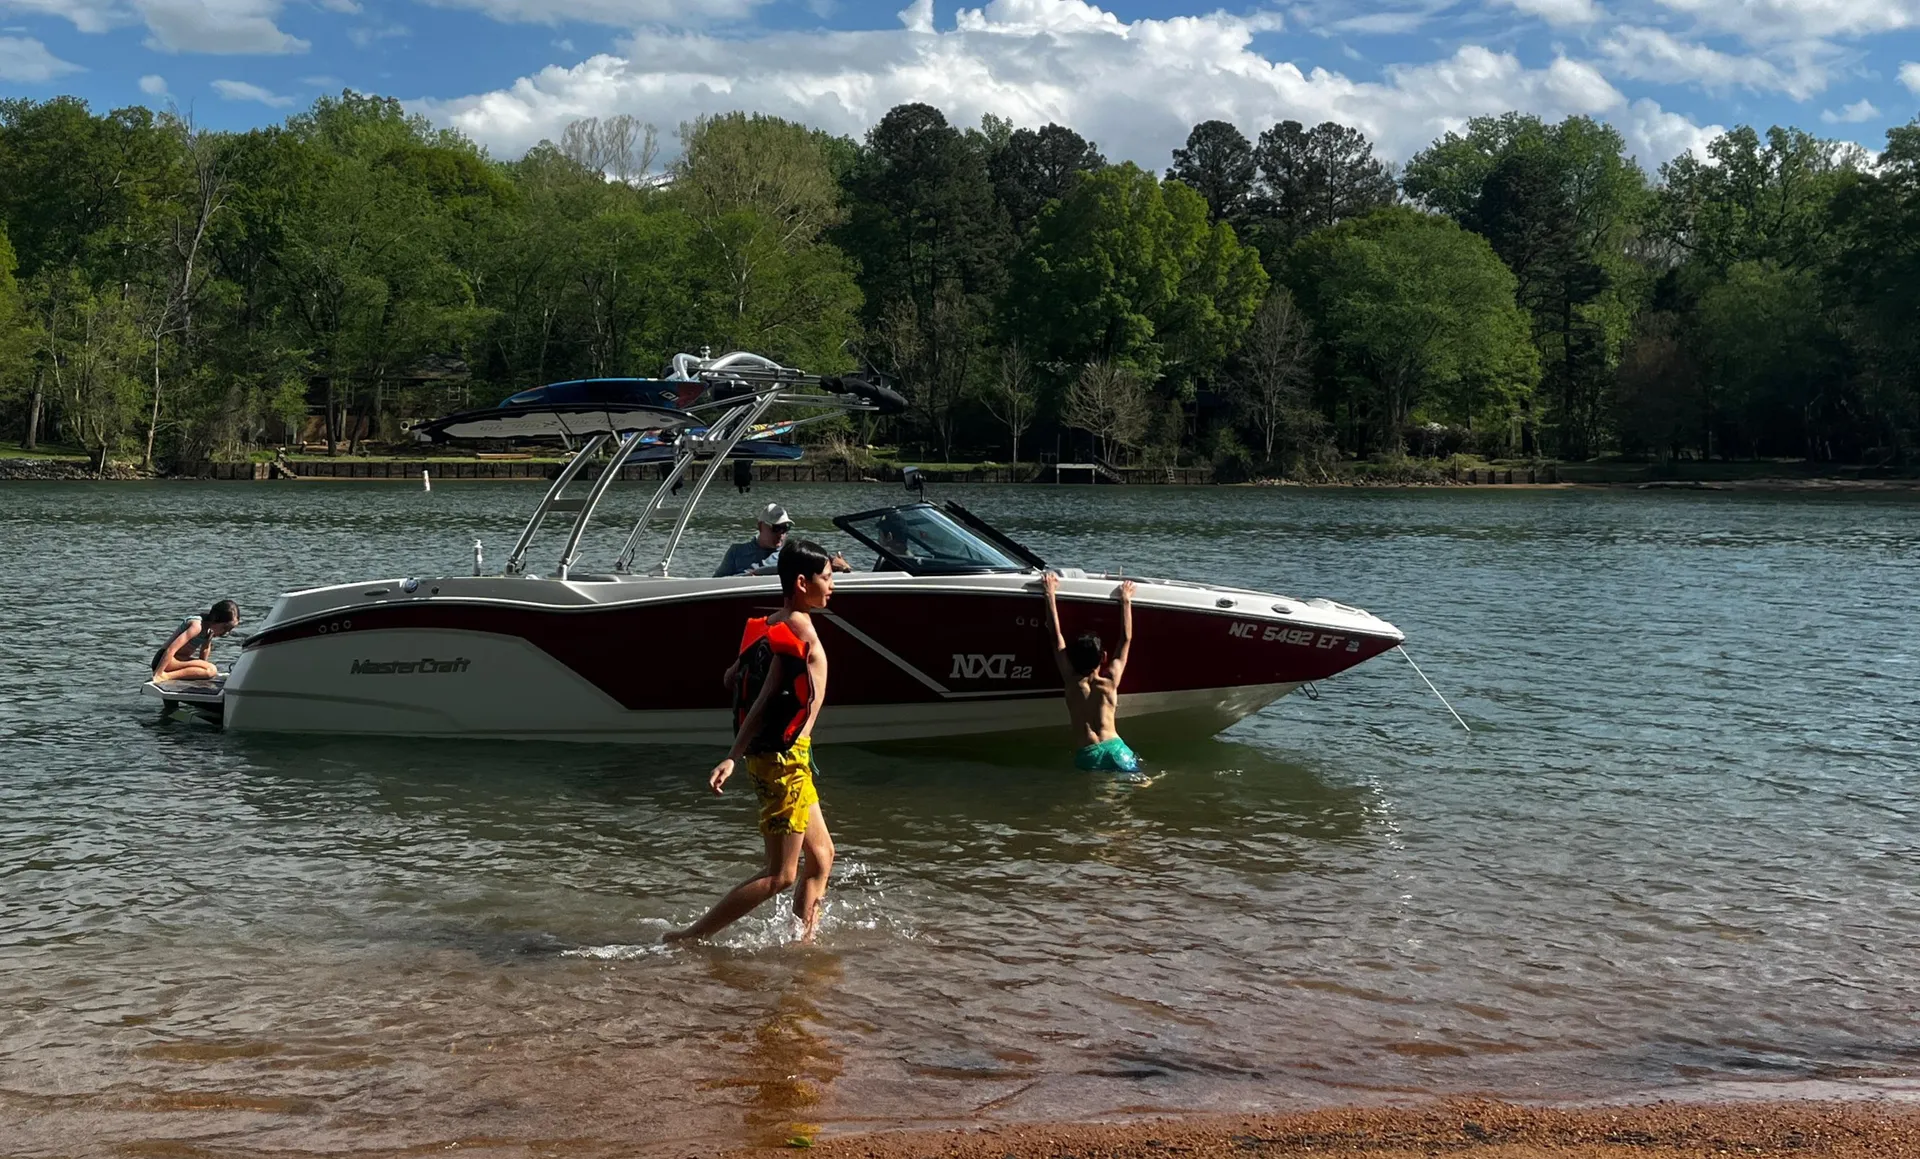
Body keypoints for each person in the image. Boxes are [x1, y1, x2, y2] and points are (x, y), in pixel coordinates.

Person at [666, 539, 837, 944]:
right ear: (801, 582)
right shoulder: (798, 630)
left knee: (822, 858)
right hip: (783, 761)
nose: (833, 586)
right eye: (827, 578)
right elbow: (763, 700)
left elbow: (730, 678)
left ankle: (803, 945)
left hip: (789, 758)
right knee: (780, 874)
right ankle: (691, 937)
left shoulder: (772, 625)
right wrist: (731, 756)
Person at [1040, 573, 1140, 774]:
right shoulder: (1110, 681)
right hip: (1116, 748)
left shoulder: (1071, 681)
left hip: (1089, 752)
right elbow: (1126, 639)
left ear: (1072, 657)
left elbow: (1055, 636)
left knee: (1098, 797)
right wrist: (1126, 601)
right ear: (1103, 657)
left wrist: (1050, 594)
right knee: (1136, 780)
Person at [714, 502, 850, 577]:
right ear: (761, 526)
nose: (781, 533)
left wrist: (840, 566)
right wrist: (746, 578)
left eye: (785, 528)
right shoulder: (736, 551)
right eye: (776, 528)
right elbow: (716, 583)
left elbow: (820, 566)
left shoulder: (794, 552)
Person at [150, 599, 240, 682]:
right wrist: (158, 673)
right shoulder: (196, 626)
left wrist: (207, 641)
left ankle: (166, 674)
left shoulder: (209, 629)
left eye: (229, 630)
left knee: (208, 670)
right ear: (215, 619)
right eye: (225, 628)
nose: (225, 632)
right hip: (163, 660)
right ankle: (166, 676)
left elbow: (203, 656)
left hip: (178, 659)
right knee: (211, 670)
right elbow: (171, 649)